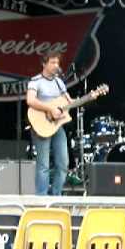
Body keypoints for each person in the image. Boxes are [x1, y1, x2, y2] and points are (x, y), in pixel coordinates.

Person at [27, 51, 72, 196]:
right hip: (42, 124)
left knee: (63, 163)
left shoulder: (59, 82)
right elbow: (31, 100)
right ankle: (41, 197)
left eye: (57, 63)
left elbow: (68, 102)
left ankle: (55, 195)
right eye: (52, 62)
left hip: (57, 126)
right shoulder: (36, 81)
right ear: (44, 64)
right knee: (43, 165)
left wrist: (88, 97)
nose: (56, 66)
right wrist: (50, 108)